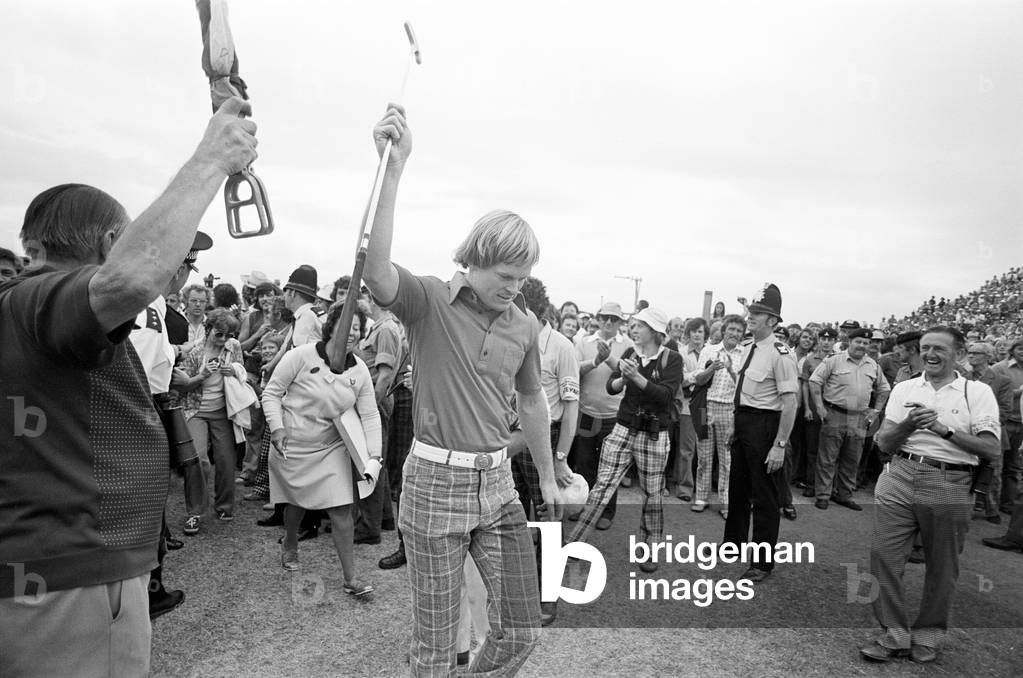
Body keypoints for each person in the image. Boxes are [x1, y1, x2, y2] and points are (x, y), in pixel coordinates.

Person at [0, 97, 256, 677]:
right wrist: (213, 158)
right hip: (71, 579)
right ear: (111, 239)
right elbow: (133, 277)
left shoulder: (20, 306)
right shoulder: (43, 298)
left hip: (51, 569)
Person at [362, 103, 562, 676]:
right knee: (433, 647)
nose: (515, 289)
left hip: (498, 483)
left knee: (522, 627)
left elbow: (531, 401)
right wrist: (393, 170)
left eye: (523, 279)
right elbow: (376, 276)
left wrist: (547, 475)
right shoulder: (426, 300)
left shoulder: (524, 324)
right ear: (476, 259)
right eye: (506, 277)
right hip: (433, 484)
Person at [860, 326, 1000, 664]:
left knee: (942, 565)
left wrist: (944, 430)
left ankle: (928, 635)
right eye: (925, 348)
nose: (930, 354)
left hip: (950, 480)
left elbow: (991, 448)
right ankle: (894, 635)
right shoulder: (905, 387)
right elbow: (883, 442)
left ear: (959, 354)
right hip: (900, 474)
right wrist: (909, 424)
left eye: (939, 348)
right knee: (884, 557)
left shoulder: (976, 392)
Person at [262, 304, 378, 596]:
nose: (351, 333)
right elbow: (272, 393)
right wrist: (277, 429)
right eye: (345, 325)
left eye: (356, 329)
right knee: (295, 503)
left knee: (341, 510)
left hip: (331, 447)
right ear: (330, 327)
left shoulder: (360, 370)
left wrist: (374, 455)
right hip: (293, 444)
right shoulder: (300, 355)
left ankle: (351, 578)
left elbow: (370, 415)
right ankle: (290, 542)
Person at [566, 307, 683, 572]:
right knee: (601, 487)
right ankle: (575, 544)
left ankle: (650, 550)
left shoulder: (672, 359)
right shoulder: (631, 353)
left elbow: (665, 396)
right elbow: (612, 386)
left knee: (652, 494)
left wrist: (635, 376)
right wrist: (621, 378)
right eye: (635, 326)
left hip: (653, 436)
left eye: (639, 326)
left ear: (654, 331)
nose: (634, 330)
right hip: (623, 428)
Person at [723, 284, 798, 584]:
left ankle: (762, 563)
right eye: (751, 311)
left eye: (758, 313)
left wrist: (779, 445)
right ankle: (734, 544)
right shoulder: (747, 347)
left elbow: (790, 403)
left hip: (765, 427)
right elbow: (743, 392)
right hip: (743, 424)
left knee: (765, 497)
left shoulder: (781, 354)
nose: (751, 317)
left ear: (773, 320)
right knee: (738, 488)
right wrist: (734, 425)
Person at [176, 308, 245, 532]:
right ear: (208, 330)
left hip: (223, 410)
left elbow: (242, 372)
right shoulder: (194, 352)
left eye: (229, 335)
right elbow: (181, 386)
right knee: (199, 460)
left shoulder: (232, 347)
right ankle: (195, 512)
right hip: (196, 410)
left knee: (226, 460)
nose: (224, 339)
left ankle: (224, 506)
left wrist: (232, 370)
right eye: (219, 334)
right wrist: (202, 374)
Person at [808, 327, 891, 510]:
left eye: (866, 343)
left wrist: (876, 411)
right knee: (828, 458)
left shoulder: (873, 365)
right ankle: (823, 495)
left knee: (852, 458)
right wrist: (820, 407)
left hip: (858, 417)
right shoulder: (834, 360)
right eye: (858, 341)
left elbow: (884, 388)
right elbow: (815, 381)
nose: (862, 345)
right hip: (835, 412)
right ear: (850, 342)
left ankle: (844, 494)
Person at [570, 301, 634, 530]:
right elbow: (573, 370)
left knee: (610, 467)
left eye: (614, 319)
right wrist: (596, 361)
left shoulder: (628, 344)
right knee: (584, 463)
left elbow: (629, 374)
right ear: (598, 318)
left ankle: (607, 511)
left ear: (620, 322)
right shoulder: (583, 342)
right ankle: (583, 507)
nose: (608, 322)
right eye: (604, 317)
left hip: (615, 415)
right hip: (586, 412)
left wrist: (608, 359)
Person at [692, 313, 746, 514]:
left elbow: (744, 386)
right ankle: (701, 498)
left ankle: (726, 503)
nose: (735, 333)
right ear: (723, 330)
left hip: (730, 410)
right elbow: (698, 379)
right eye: (731, 329)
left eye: (739, 331)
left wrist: (732, 370)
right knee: (704, 457)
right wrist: (711, 369)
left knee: (727, 460)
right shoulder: (709, 350)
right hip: (705, 407)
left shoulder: (745, 353)